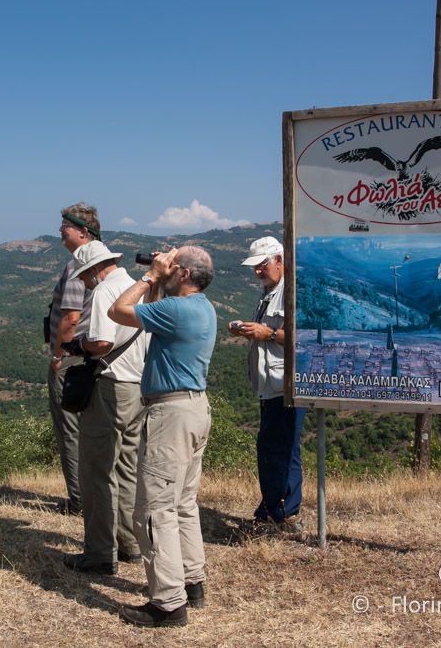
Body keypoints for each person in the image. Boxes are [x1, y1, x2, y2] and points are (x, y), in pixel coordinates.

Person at [108, 245, 217, 629]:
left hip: (170, 415)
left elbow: (117, 311)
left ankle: (168, 604)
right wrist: (160, 279)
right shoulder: (202, 307)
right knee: (183, 503)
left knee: (154, 511)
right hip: (195, 408)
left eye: (174, 266)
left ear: (184, 273)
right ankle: (192, 582)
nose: (167, 269)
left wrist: (150, 275)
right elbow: (151, 315)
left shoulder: (176, 310)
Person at [61, 240, 148, 575]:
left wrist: (76, 344)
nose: (84, 282)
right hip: (137, 386)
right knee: (127, 468)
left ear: (95, 269)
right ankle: (129, 544)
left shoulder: (104, 292)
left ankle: (99, 553)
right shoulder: (135, 288)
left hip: (110, 387)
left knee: (96, 470)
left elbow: (101, 343)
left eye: (84, 275)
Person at [229, 236, 305, 538]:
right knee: (276, 447)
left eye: (262, 266)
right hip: (271, 384)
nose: (258, 272)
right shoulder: (270, 292)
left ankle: (281, 514)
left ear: (279, 261)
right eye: (256, 268)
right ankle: (274, 509)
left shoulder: (291, 291)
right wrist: (251, 331)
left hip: (284, 384)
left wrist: (268, 333)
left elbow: (301, 337)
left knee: (278, 448)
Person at [47, 202, 101, 515]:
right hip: (92, 354)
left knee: (69, 429)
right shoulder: (102, 260)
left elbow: (70, 316)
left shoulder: (76, 264)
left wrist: (58, 355)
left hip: (71, 358)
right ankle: (91, 494)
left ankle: (79, 500)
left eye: (64, 228)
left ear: (82, 232)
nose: (60, 233)